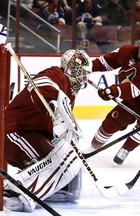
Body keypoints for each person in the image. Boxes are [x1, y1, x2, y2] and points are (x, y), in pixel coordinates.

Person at [4, 49, 93, 212]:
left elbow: (56, 123)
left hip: (31, 135)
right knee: (62, 158)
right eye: (82, 73)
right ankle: (14, 193)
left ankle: (57, 189)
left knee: (71, 156)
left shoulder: (71, 91)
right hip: (13, 133)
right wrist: (57, 100)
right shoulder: (56, 75)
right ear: (72, 68)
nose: (85, 78)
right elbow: (40, 85)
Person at [83, 29, 140, 165]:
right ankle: (93, 147)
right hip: (133, 101)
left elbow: (136, 89)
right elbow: (106, 62)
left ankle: (126, 149)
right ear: (139, 44)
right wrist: (87, 67)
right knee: (111, 122)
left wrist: (113, 91)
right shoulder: (126, 52)